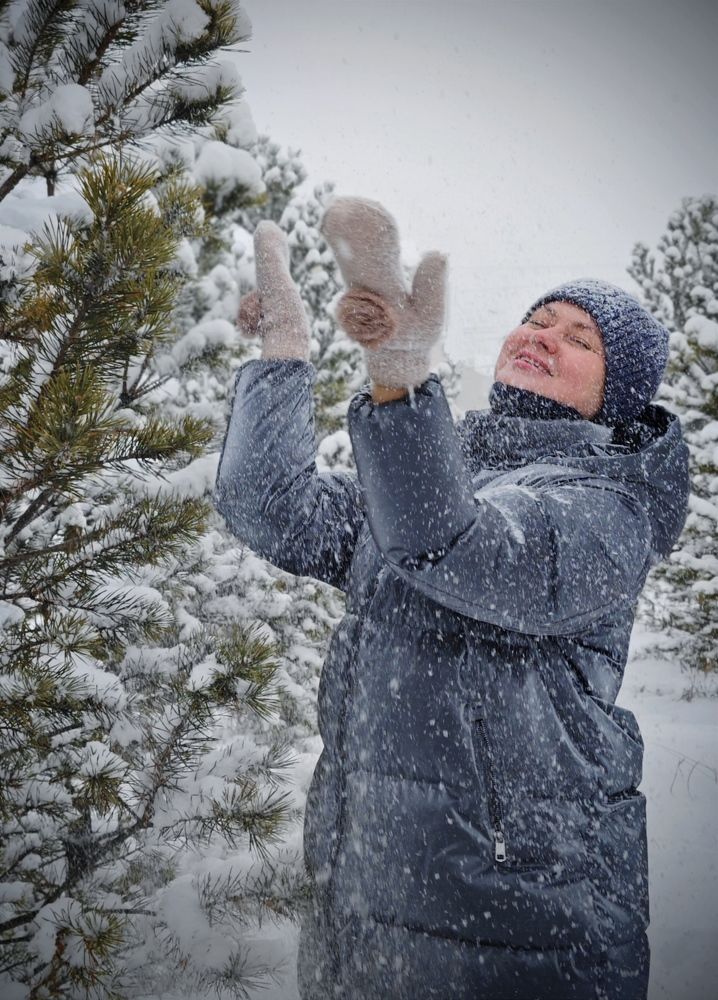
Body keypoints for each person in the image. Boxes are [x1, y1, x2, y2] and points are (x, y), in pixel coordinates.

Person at [213, 198, 690, 1000]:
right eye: (538, 320)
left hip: (517, 929)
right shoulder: (438, 475)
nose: (543, 335)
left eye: (582, 339)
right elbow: (266, 502)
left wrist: (400, 383)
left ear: (617, 397)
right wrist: (285, 355)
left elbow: (458, 547)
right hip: (362, 906)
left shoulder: (611, 509)